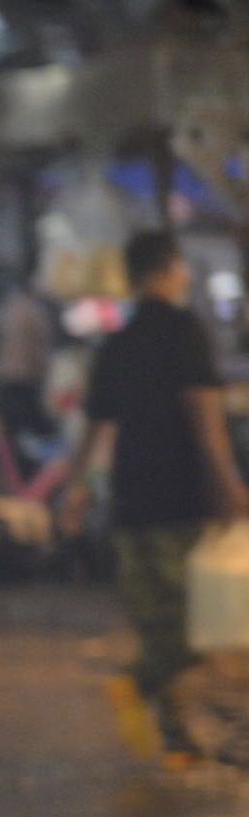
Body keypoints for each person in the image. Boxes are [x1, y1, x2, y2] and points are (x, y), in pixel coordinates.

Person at [62, 231, 249, 754]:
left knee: (158, 619)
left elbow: (94, 428)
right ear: (168, 270)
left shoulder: (116, 344)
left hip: (129, 499)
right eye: (182, 268)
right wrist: (229, 484)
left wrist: (74, 489)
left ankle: (177, 738)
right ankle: (135, 685)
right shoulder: (185, 331)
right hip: (179, 495)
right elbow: (204, 416)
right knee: (192, 625)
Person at [0, 276, 56, 455]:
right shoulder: (35, 311)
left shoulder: (6, 308)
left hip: (5, 385)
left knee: (9, 445)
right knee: (36, 440)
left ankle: (16, 478)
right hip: (25, 385)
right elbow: (42, 352)